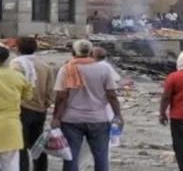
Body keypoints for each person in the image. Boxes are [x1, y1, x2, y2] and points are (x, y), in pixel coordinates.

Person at [52, 39, 123, 171]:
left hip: (71, 119)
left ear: (73, 52)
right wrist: (118, 115)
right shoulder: (103, 69)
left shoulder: (66, 69)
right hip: (99, 119)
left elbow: (61, 97)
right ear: (91, 52)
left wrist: (56, 117)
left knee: (71, 157)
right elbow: (112, 95)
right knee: (101, 157)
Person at [10, 37, 54, 171]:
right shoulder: (45, 66)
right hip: (40, 110)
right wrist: (44, 105)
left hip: (22, 109)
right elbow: (50, 90)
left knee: (21, 146)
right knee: (38, 145)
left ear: (17, 49)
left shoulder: (15, 65)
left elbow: (13, 88)